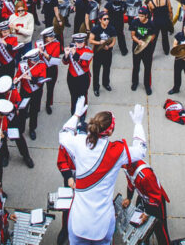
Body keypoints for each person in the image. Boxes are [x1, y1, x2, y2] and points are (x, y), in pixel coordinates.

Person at [59, 100, 147, 245]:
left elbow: (63, 135)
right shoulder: (117, 151)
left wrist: (76, 115)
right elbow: (141, 150)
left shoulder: (79, 142)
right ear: (110, 131)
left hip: (77, 222)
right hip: (102, 224)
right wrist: (138, 124)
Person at [122, 160, 171, 245]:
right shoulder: (126, 167)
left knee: (160, 229)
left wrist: (147, 213)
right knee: (141, 226)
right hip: (144, 196)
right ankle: (145, 240)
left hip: (155, 202)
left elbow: (155, 197)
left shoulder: (146, 175)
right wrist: (129, 198)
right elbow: (131, 181)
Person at [129, 7, 157, 95]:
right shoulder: (135, 22)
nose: (140, 17)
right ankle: (135, 82)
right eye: (139, 15)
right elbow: (132, 35)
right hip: (137, 47)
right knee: (136, 66)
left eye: (142, 16)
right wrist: (138, 41)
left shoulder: (151, 24)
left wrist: (147, 42)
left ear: (146, 15)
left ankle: (147, 85)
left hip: (147, 49)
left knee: (147, 68)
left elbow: (153, 35)